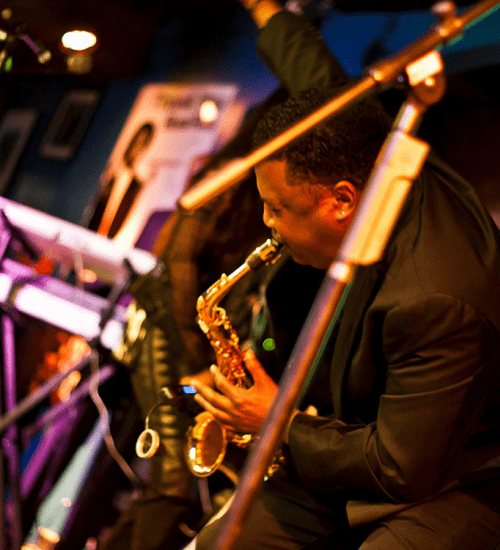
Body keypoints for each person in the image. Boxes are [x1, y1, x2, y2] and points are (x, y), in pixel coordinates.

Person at [187, 86, 500, 550]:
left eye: (278, 208)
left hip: (482, 476)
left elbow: (399, 468)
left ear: (341, 200)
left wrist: (278, 423)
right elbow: (326, 82)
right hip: (382, 437)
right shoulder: (383, 167)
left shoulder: (433, 300)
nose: (267, 223)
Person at [95, 3, 347, 550]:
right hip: (165, 329)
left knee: (166, 489)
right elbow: (179, 261)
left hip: (184, 336)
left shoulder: (270, 195)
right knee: (171, 487)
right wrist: (194, 364)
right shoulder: (237, 179)